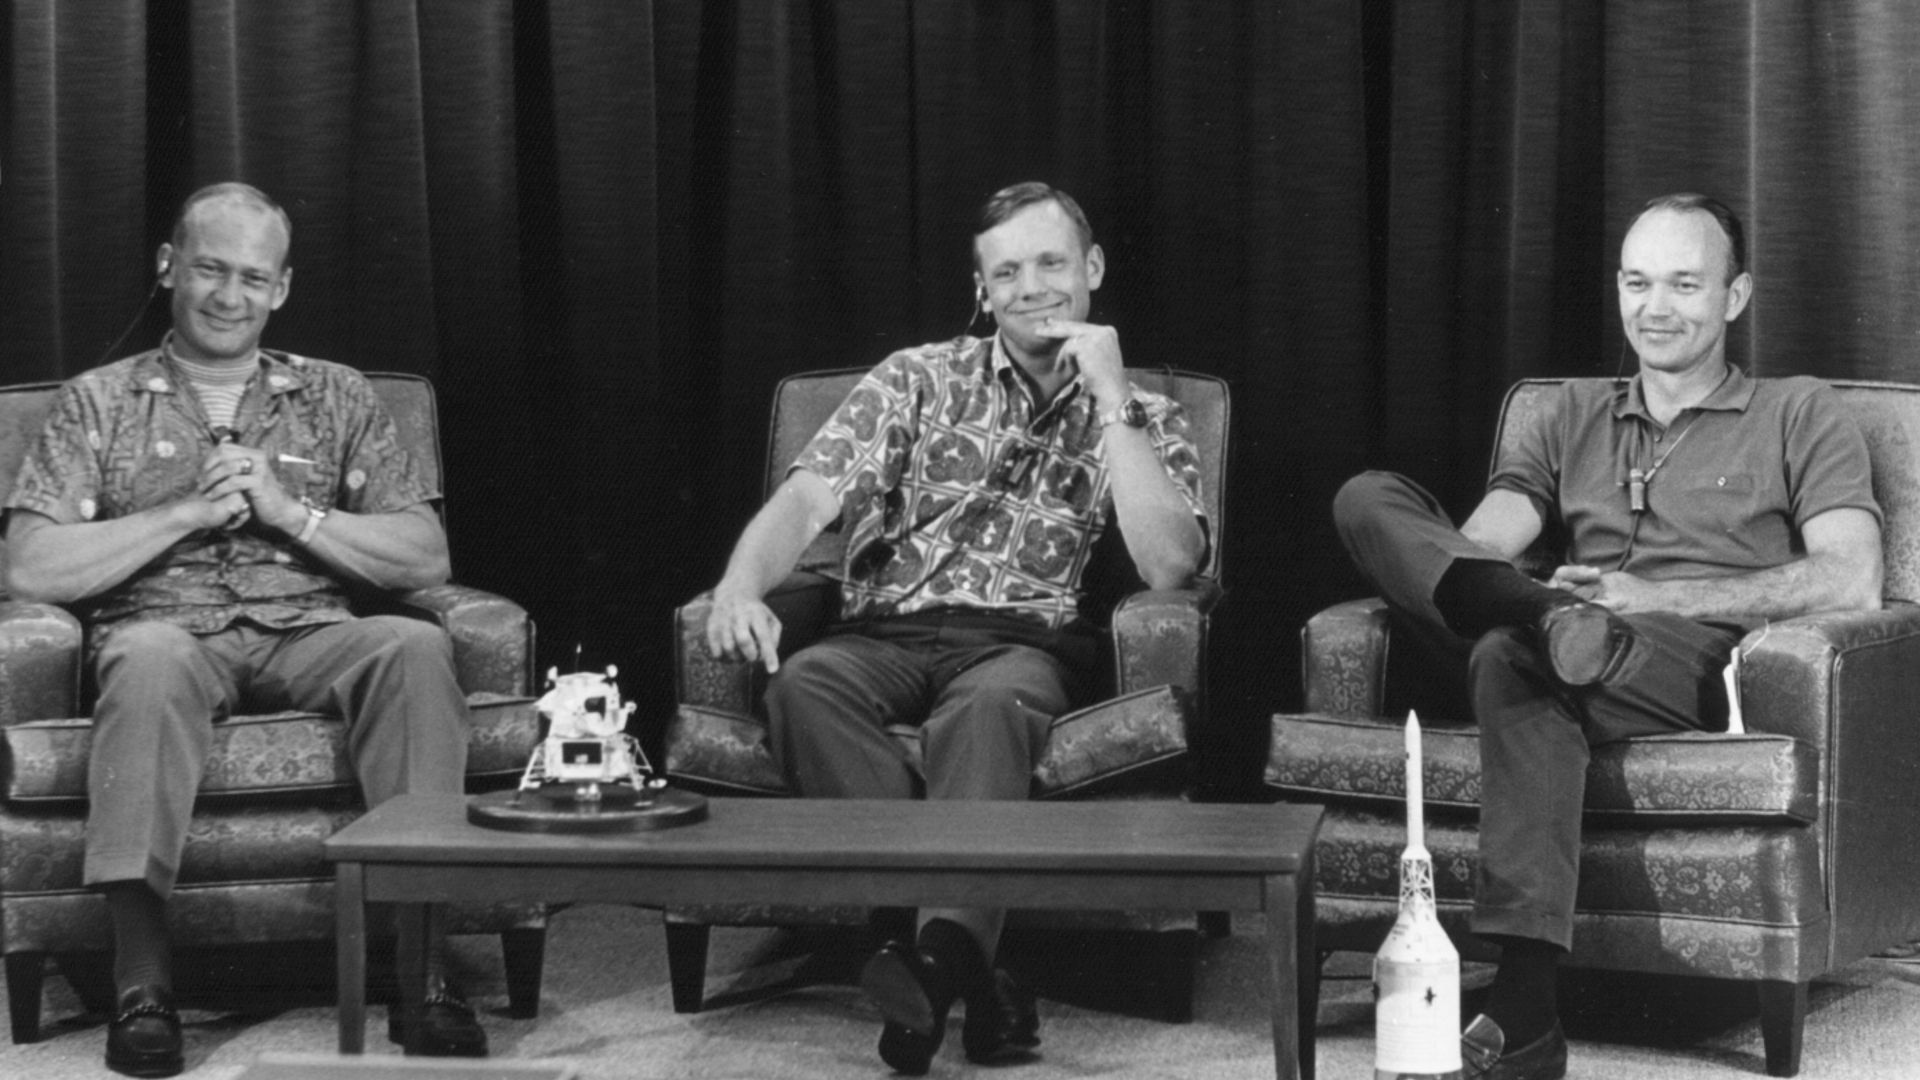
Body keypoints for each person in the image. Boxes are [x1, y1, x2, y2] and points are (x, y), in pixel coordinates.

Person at [1331, 193, 1883, 1080]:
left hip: (1689, 655)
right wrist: (1535, 599)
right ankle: (1546, 622)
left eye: (1683, 284)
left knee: (1518, 651)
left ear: (1736, 297)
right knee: (1370, 502)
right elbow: (1474, 553)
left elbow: (1852, 576)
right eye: (1637, 282)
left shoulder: (1797, 411)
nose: (1655, 308)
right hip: (1549, 629)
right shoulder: (1566, 410)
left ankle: (1522, 995)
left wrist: (1640, 597)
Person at [703, 181, 1209, 1074]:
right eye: (1006, 272)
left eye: (1051, 263)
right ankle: (971, 967)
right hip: (884, 636)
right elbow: (804, 500)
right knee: (803, 688)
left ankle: (927, 969)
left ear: (1091, 269)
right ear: (983, 291)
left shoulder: (1145, 413)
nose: (1031, 288)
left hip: (1020, 645)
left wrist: (1111, 394)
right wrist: (738, 585)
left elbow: (1172, 565)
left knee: (990, 711)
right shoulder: (915, 377)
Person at [3, 183, 487, 1076]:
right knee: (145, 661)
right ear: (168, 269)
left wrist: (289, 512)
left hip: (309, 627)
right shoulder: (97, 401)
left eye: (253, 278)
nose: (230, 297)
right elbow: (29, 566)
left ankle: (426, 975)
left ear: (283, 288)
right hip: (164, 629)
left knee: (414, 645)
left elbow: (423, 557)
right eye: (210, 270)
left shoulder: (337, 397)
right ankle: (143, 984)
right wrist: (188, 512)